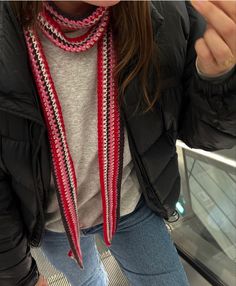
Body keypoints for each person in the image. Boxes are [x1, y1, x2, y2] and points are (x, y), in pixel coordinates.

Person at [0, 0, 235, 285]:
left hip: (131, 205)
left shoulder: (168, 10)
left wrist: (220, 82)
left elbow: (198, 131)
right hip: (54, 224)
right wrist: (19, 276)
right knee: (88, 281)